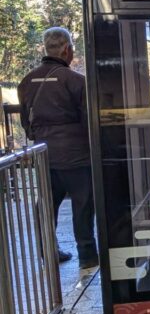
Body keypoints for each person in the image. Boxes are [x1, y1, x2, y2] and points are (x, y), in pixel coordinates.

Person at [17, 27, 98, 268]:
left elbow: (26, 122)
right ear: (66, 50)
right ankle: (87, 255)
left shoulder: (26, 81)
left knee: (46, 204)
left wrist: (39, 137)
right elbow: (88, 121)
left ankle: (48, 251)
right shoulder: (76, 81)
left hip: (44, 154)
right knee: (83, 205)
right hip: (76, 156)